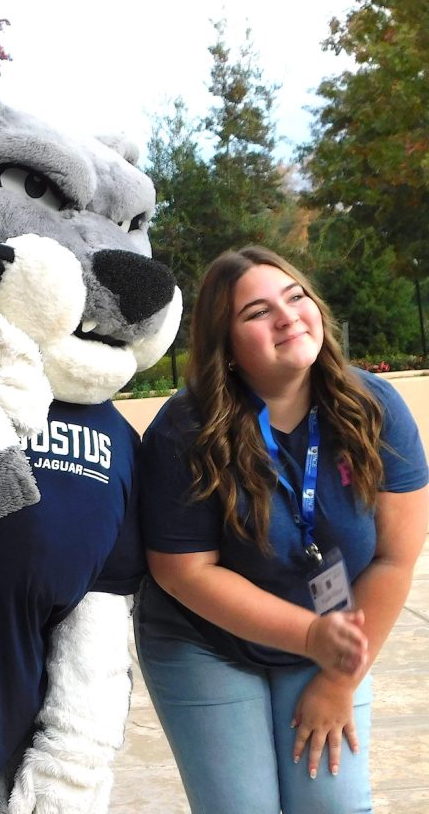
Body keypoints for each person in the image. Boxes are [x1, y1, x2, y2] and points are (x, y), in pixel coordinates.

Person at [134, 245, 428, 813]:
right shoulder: (186, 428)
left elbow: (396, 556)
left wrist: (339, 679)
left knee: (332, 805)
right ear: (227, 346)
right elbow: (183, 572)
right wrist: (312, 636)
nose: (288, 316)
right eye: (256, 312)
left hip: (328, 632)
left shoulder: (375, 407)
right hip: (206, 640)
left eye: (295, 297)